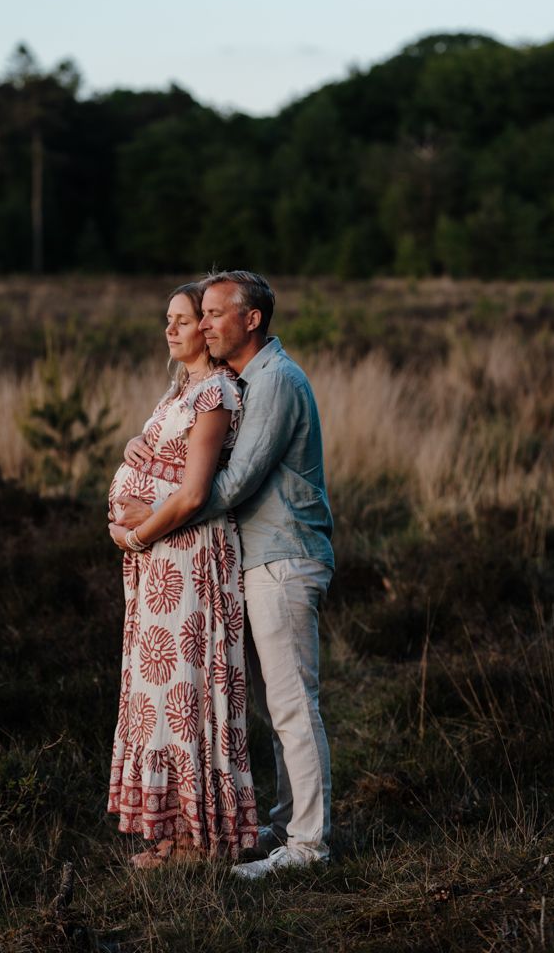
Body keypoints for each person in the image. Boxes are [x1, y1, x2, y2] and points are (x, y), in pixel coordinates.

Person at [117, 270, 334, 879]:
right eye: (202, 315)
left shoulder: (277, 382)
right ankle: (288, 820)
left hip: (283, 559)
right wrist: (149, 451)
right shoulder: (244, 381)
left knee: (294, 704)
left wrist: (156, 517)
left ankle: (310, 846)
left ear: (252, 319)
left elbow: (231, 484)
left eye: (214, 314)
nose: (204, 324)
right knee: (272, 705)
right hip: (258, 560)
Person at [107, 281, 258, 868]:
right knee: (157, 693)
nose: (169, 330)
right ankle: (171, 829)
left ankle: (199, 839)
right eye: (166, 319)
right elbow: (152, 455)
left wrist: (139, 532)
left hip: (188, 557)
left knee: (185, 691)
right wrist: (131, 448)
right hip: (159, 564)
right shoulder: (179, 392)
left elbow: (195, 493)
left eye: (182, 320)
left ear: (206, 329)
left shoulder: (215, 393)